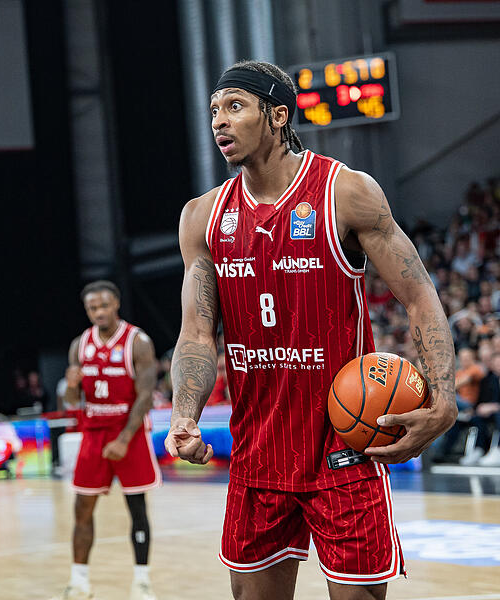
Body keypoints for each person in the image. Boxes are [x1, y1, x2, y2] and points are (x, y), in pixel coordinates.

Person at [164, 61, 457, 600]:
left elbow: (419, 297)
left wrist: (443, 398)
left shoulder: (345, 193)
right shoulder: (201, 217)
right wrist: (186, 413)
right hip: (258, 456)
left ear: (277, 115)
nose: (219, 122)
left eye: (235, 106)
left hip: (343, 452)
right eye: (213, 111)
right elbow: (197, 335)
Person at [52, 281, 160, 600]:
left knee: (137, 508)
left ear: (116, 305)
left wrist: (126, 439)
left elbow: (145, 397)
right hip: (94, 433)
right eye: (92, 308)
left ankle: (142, 581)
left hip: (129, 431)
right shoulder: (79, 344)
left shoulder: (137, 342)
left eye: (104, 306)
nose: (99, 312)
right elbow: (73, 401)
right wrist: (71, 387)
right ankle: (79, 581)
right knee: (82, 508)